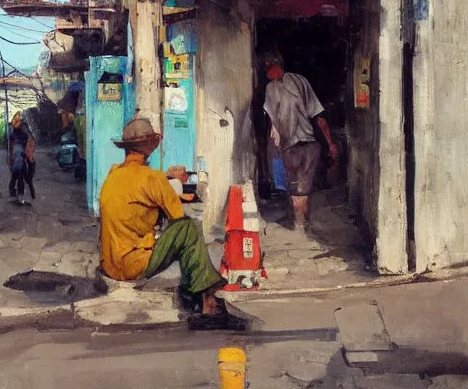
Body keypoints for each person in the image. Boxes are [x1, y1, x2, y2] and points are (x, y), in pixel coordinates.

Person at [98, 118, 243, 330]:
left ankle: (192, 291)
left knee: (181, 234)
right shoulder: (153, 179)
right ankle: (207, 302)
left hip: (111, 264)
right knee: (188, 228)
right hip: (134, 264)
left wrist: (167, 177)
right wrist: (174, 184)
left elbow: (137, 186)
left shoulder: (113, 174)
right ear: (149, 147)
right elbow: (177, 217)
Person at [263, 55, 338, 233]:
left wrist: (330, 143)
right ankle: (301, 223)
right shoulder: (275, 87)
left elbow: (318, 117)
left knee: (299, 189)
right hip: (295, 146)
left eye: (267, 68)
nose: (268, 73)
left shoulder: (292, 82)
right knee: (298, 189)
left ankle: (300, 225)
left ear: (273, 66)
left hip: (303, 145)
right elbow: (316, 116)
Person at [7, 112, 36, 205]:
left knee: (18, 176)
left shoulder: (15, 135)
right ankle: (25, 196)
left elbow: (11, 149)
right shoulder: (23, 135)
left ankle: (19, 194)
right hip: (22, 158)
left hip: (21, 158)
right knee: (24, 178)